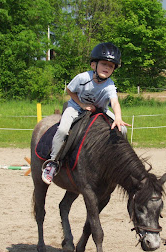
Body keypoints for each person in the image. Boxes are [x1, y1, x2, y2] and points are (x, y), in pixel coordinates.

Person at [42, 42, 130, 185]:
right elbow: (70, 90)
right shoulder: (82, 78)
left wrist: (118, 118)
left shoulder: (110, 85)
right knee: (63, 130)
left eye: (111, 66)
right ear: (93, 65)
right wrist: (82, 104)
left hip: (101, 111)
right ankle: (52, 163)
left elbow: (114, 102)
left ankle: (119, 161)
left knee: (123, 129)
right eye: (104, 64)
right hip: (75, 108)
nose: (107, 68)